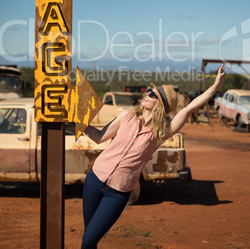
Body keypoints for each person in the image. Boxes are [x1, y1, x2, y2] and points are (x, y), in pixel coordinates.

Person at [81, 64, 225, 248]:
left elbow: (188, 109)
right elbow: (99, 137)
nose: (146, 94)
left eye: (152, 94)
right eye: (148, 91)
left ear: (162, 104)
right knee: (89, 240)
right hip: (94, 180)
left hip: (117, 193)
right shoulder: (127, 115)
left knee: (88, 241)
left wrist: (214, 87)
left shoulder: (160, 133)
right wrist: (79, 123)